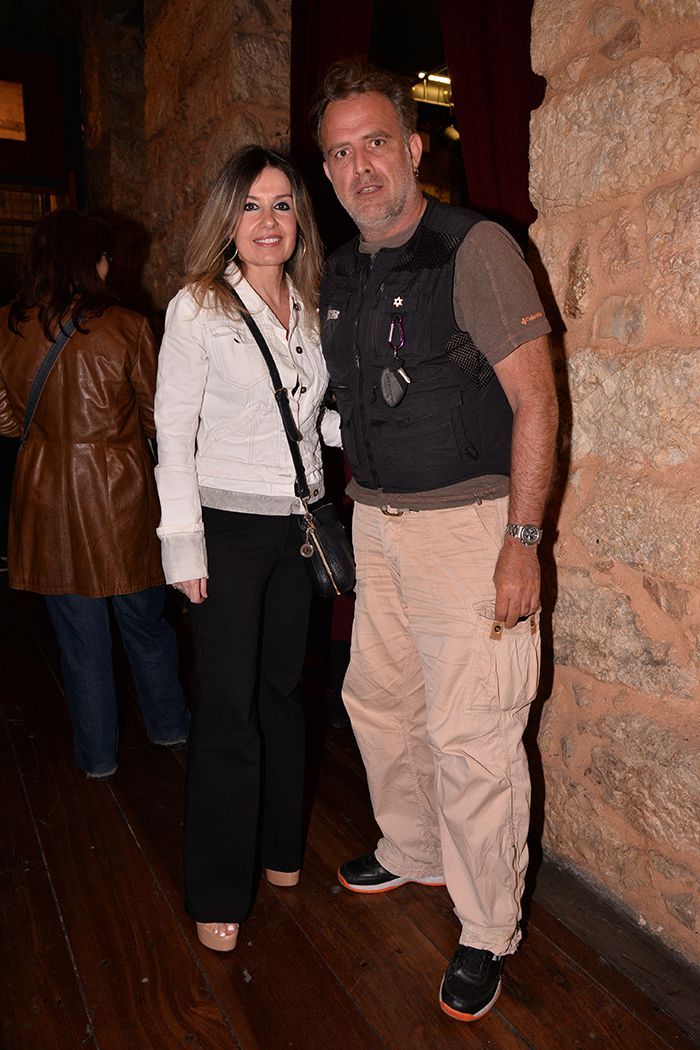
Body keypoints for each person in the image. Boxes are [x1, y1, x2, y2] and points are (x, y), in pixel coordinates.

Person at [312, 60, 559, 1022]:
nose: (361, 166)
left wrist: (522, 540)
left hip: (468, 529)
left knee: (474, 737)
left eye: (376, 142)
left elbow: (537, 402)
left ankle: (487, 927)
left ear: (415, 148)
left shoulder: (476, 247)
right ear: (327, 171)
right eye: (341, 153)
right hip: (377, 523)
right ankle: (412, 849)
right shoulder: (342, 270)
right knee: (379, 704)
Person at [154, 145, 341, 953]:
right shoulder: (199, 307)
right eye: (252, 206)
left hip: (297, 524)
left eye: (282, 205)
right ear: (227, 220)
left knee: (282, 696)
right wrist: (183, 546)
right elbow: (172, 432)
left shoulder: (312, 307)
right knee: (229, 709)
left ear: (300, 220)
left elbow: (309, 418)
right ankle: (218, 888)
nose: (269, 221)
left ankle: (278, 847)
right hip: (226, 530)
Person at [0, 209, 189, 779]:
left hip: (45, 498)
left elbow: (8, 423)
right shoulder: (128, 327)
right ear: (94, 261)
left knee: (79, 643)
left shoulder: (6, 325)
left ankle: (98, 758)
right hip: (121, 499)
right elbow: (158, 420)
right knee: (146, 626)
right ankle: (170, 726)